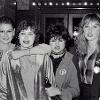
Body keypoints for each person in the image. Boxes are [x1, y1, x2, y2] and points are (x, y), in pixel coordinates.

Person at [0, 19, 54, 100]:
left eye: (30, 34)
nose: (26, 37)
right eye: (23, 33)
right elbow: (3, 89)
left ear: (35, 36)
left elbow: (50, 86)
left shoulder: (44, 58)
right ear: (18, 35)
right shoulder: (8, 57)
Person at [45, 24, 80, 100]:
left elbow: (76, 90)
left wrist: (59, 91)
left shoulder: (72, 60)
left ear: (65, 42)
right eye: (53, 41)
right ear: (48, 42)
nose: (57, 44)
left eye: (60, 40)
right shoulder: (42, 58)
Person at [76, 13, 100, 100]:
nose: (90, 31)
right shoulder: (80, 51)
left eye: (95, 27)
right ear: (83, 29)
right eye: (86, 26)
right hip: (81, 95)